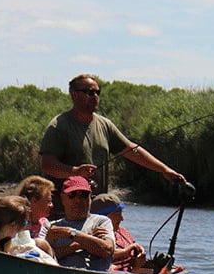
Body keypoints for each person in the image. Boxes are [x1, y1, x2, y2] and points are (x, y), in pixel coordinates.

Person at [39, 73, 187, 215]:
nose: (95, 96)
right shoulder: (59, 126)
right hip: (63, 211)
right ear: (74, 94)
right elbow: (47, 165)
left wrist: (163, 170)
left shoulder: (105, 125)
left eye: (98, 92)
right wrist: (76, 171)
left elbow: (131, 150)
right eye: (89, 92)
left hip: (95, 209)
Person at [44, 176, 115, 271]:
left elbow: (107, 250)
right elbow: (44, 257)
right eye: (72, 195)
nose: (78, 200)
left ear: (90, 197)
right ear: (63, 198)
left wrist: (71, 233)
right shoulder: (51, 226)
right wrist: (79, 244)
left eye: (84, 195)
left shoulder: (102, 222)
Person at [90, 192, 152, 273]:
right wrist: (125, 252)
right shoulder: (95, 234)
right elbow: (101, 251)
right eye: (118, 215)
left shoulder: (123, 232)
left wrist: (139, 259)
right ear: (103, 217)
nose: (122, 218)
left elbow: (136, 264)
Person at [16, 175, 55, 244]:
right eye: (48, 201)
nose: (51, 205)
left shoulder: (45, 223)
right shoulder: (18, 225)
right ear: (33, 201)